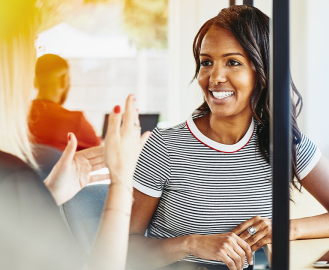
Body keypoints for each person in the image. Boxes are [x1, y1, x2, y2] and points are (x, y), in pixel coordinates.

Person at [0, 1, 149, 270]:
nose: (37, 55)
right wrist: (122, 182)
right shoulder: (8, 179)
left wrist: (45, 198)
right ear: (4, 60)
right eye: (34, 42)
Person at [127, 5, 329, 270]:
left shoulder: (283, 142)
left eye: (233, 62)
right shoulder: (165, 146)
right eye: (206, 62)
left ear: (262, 72)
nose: (215, 77)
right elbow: (123, 248)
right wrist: (192, 243)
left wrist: (287, 229)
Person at [29, 54, 100, 152]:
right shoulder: (76, 122)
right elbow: (100, 152)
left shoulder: (16, 115)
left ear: (34, 82)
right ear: (64, 80)